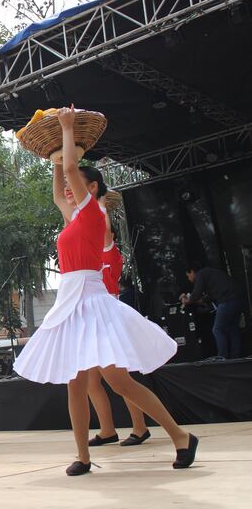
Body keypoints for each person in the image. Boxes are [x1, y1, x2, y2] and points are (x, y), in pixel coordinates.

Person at [13, 105, 198, 475]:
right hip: (70, 300)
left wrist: (66, 130)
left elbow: (70, 170)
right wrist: (54, 159)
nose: (67, 186)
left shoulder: (95, 213)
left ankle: (180, 436)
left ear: (91, 186)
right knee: (75, 383)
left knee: (119, 380)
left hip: (92, 299)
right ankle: (82, 454)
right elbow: (57, 190)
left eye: (75, 183)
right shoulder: (74, 216)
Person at [86, 207, 150, 448]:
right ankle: (107, 429)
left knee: (120, 381)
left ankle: (140, 427)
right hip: (93, 322)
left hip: (109, 322)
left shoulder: (111, 254)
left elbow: (100, 221)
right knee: (91, 382)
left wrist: (98, 203)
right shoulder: (93, 255)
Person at [181, 263, 244, 359]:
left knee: (217, 330)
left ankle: (222, 357)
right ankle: (236, 357)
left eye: (188, 276)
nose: (189, 279)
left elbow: (196, 294)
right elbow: (207, 297)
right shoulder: (211, 274)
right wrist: (196, 301)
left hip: (226, 301)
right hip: (237, 300)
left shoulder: (200, 275)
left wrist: (186, 299)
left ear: (192, 272)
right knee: (233, 329)